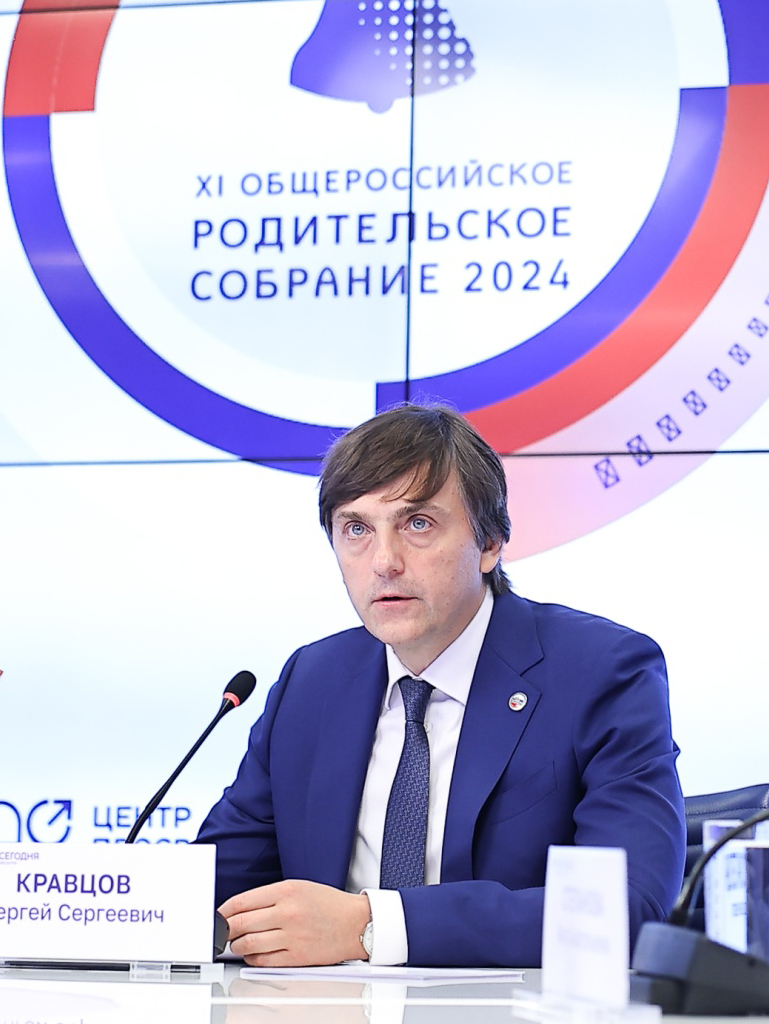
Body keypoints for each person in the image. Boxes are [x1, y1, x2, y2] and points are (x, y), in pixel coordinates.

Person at [198, 403, 684, 968]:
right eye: (357, 529)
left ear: (490, 542)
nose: (384, 561)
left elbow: (627, 906)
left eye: (418, 524)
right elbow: (213, 888)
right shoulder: (313, 682)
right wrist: (118, 901)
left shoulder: (601, 672)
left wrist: (370, 927)